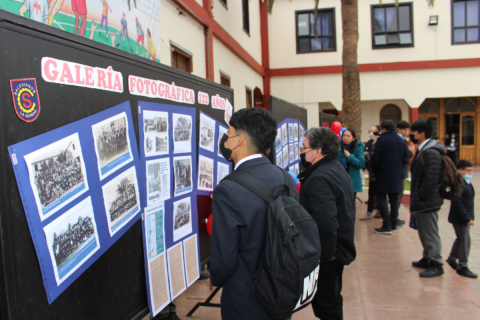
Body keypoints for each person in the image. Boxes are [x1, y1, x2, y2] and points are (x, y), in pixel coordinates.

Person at [210, 108, 294, 320]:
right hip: (280, 289)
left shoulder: (228, 189)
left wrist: (215, 277)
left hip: (246, 297)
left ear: (239, 140)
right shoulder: (285, 177)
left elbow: (225, 257)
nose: (224, 139)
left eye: (228, 133)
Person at [298, 127, 356, 320]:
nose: (301, 152)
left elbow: (325, 223)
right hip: (336, 250)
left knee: (327, 306)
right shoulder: (334, 168)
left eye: (304, 148)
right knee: (331, 302)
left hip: (328, 255)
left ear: (318, 151)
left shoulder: (320, 177)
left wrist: (322, 260)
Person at [410, 119, 447, 278]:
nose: (412, 135)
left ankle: (436, 263)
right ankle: (427, 257)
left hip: (427, 201)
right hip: (423, 201)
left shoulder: (431, 151)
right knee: (424, 232)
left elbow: (431, 179)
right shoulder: (424, 149)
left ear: (422, 133)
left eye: (414, 132)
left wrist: (421, 196)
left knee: (430, 233)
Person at [371, 120, 408, 234]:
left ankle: (386, 224)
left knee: (382, 198)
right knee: (394, 200)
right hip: (396, 175)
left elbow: (375, 157)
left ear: (383, 129)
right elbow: (405, 159)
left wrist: (375, 171)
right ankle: (393, 223)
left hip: (383, 174)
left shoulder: (381, 139)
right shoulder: (401, 141)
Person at [446, 160, 478, 278]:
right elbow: (457, 203)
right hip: (460, 218)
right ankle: (462, 266)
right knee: (465, 241)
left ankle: (452, 259)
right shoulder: (459, 184)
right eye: (469, 170)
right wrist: (466, 219)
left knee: (460, 239)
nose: (471, 172)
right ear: (460, 171)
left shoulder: (466, 182)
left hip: (464, 217)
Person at [396, 120, 415, 226]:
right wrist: (410, 152)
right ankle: (394, 216)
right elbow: (402, 156)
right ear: (399, 129)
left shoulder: (404, 140)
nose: (406, 132)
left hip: (400, 171)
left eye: (408, 129)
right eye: (404, 129)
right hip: (400, 172)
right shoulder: (400, 140)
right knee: (398, 195)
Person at [337, 128, 365, 198]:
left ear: (353, 138)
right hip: (339, 179)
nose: (345, 138)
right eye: (344, 135)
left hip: (351, 180)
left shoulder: (358, 147)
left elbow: (361, 164)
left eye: (348, 136)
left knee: (350, 204)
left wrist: (349, 156)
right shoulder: (337, 145)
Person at [360, 125, 380, 220]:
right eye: (369, 132)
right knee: (371, 194)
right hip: (372, 174)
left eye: (373, 132)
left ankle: (382, 212)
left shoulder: (381, 143)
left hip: (380, 174)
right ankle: (369, 213)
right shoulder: (368, 143)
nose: (371, 134)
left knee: (381, 195)